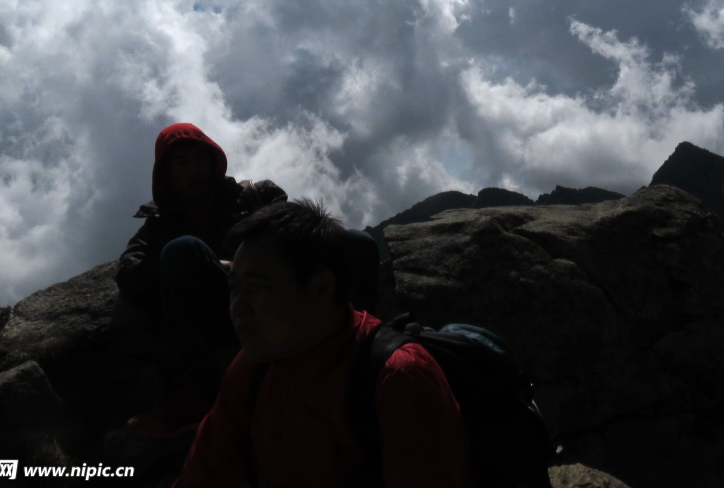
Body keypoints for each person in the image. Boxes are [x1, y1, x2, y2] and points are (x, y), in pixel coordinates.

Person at [172, 199, 473, 488]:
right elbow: (202, 474)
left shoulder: (399, 379)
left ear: (321, 288)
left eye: (255, 288)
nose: (238, 306)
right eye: (234, 288)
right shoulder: (254, 370)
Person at [116, 123, 288, 438]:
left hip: (275, 304)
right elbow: (129, 274)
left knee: (354, 243)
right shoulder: (158, 227)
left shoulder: (257, 196)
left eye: (200, 158)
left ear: (214, 161)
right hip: (215, 322)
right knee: (183, 250)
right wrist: (189, 265)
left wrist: (238, 267)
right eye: (181, 163)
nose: (194, 169)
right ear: (165, 173)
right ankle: (189, 401)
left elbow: (296, 241)